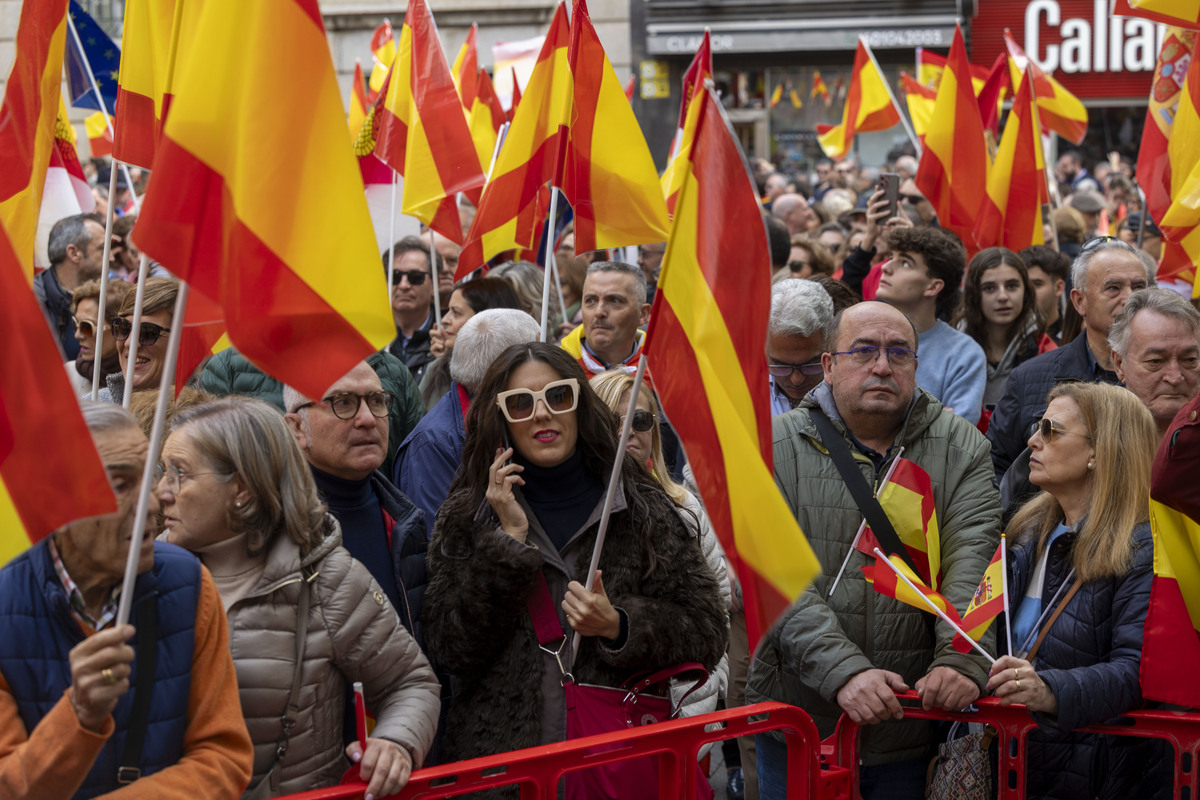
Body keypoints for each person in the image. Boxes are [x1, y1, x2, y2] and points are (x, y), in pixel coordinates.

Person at [422, 343, 727, 765]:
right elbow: (449, 647)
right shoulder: (469, 513)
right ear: (502, 418)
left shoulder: (640, 505)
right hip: (507, 771)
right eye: (521, 403)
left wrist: (619, 625)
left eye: (558, 395)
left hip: (615, 765)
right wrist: (507, 543)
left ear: (580, 405)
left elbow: (707, 629)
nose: (542, 413)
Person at [746, 302, 999, 800]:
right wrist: (845, 671)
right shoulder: (771, 448)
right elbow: (774, 575)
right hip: (802, 724)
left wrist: (960, 661)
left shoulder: (963, 447)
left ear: (915, 367)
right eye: (864, 351)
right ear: (828, 365)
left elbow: (976, 560)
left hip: (912, 724)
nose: (882, 366)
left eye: (898, 353)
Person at [159, 397, 440, 798]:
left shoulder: (327, 579)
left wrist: (396, 743)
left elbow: (411, 683)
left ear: (240, 488)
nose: (161, 492)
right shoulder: (146, 576)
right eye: (163, 472)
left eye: (179, 474)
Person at [0, 403, 254, 799]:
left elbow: (224, 757)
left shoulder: (187, 584)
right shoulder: (5, 604)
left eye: (150, 478)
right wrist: (79, 715)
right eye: (119, 485)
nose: (152, 505)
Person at [986, 383, 1167, 800]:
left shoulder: (1143, 547)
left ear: (1098, 454)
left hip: (1093, 774)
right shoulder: (1027, 533)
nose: (1032, 440)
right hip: (1014, 762)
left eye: (1051, 430)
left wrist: (1048, 690)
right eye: (1038, 426)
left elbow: (1137, 671)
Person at [282, 362, 429, 643]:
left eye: (376, 400)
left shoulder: (406, 520)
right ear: (297, 427)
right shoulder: (273, 529)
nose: (368, 419)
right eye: (343, 403)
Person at [987, 238, 1154, 477]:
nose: (1129, 299)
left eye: (1138, 287)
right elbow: (994, 465)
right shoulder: (1028, 378)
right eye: (1113, 288)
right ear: (1079, 301)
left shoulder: (1173, 375)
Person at [394, 309, 541, 537]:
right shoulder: (431, 445)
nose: (546, 363)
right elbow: (440, 549)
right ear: (506, 372)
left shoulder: (514, 413)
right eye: (536, 354)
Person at [876, 226, 987, 424]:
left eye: (905, 263)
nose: (886, 267)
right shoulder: (855, 335)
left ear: (933, 286)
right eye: (891, 257)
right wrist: (932, 419)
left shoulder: (963, 353)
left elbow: (955, 433)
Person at [954, 247, 1052, 412]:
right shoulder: (953, 350)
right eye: (990, 288)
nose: (1003, 297)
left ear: (1025, 291)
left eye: (1012, 286)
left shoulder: (1047, 352)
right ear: (974, 294)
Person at [1108, 287, 1200, 439]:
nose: (1175, 378)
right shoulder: (1090, 436)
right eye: (1155, 361)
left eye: (1190, 360)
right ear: (1119, 364)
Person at [421, 278, 522, 410]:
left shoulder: (522, 373)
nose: (445, 320)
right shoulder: (436, 371)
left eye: (456, 313)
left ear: (486, 319)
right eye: (448, 311)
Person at [34, 213, 106, 361]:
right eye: (102, 248)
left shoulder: (107, 296)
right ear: (74, 253)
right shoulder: (30, 303)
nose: (110, 257)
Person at [560, 261, 651, 378]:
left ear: (642, 314)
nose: (599, 312)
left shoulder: (660, 368)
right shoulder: (557, 369)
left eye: (615, 301)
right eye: (591, 300)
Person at [100, 276, 179, 402]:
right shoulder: (93, 405)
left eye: (147, 332)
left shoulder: (203, 417)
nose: (129, 343)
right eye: (123, 328)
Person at [768, 279, 835, 415]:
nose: (796, 380)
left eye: (810, 365)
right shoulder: (741, 391)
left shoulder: (852, 392)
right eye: (781, 366)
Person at [65, 278, 133, 396]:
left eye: (87, 327)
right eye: (75, 324)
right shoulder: (67, 375)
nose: (77, 335)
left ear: (120, 330)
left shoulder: (139, 380)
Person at [386, 236, 437, 385]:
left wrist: (444, 360)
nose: (403, 285)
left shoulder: (447, 337)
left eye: (415, 277)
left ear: (434, 284)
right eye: (395, 276)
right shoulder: (370, 336)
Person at [1019, 245, 1070, 344]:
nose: (1027, 292)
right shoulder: (1010, 341)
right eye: (1021, 285)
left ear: (1058, 288)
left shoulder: (1075, 338)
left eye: (1036, 284)